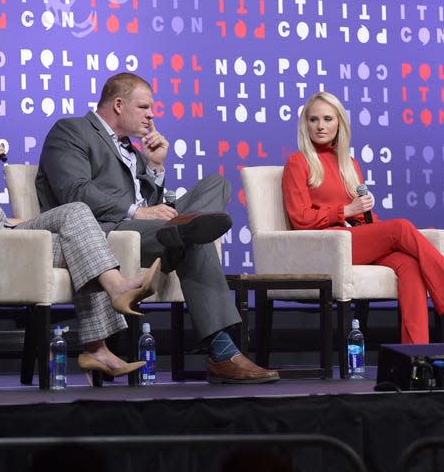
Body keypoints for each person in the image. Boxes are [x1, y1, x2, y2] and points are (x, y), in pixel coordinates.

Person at [36, 72, 278, 384]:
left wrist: (155, 166)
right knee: (195, 239)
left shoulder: (132, 149)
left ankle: (183, 229)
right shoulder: (71, 131)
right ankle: (223, 353)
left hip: (146, 231)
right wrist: (138, 210)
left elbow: (151, 203)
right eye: (145, 107)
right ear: (119, 105)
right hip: (101, 234)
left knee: (216, 184)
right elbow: (75, 192)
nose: (152, 115)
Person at [0, 82, 155, 384]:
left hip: (1, 233)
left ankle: (98, 348)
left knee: (79, 230)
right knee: (78, 217)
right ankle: (106, 319)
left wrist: (17, 222)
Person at [281, 91, 444, 344]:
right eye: (313, 120)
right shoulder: (298, 162)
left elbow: (360, 220)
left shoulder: (349, 163)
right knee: (400, 228)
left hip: (348, 241)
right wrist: (345, 211)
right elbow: (300, 218)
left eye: (327, 119)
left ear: (340, 123)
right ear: (305, 124)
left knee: (409, 265)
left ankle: (415, 354)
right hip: (322, 246)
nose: (320, 126)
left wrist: (363, 214)